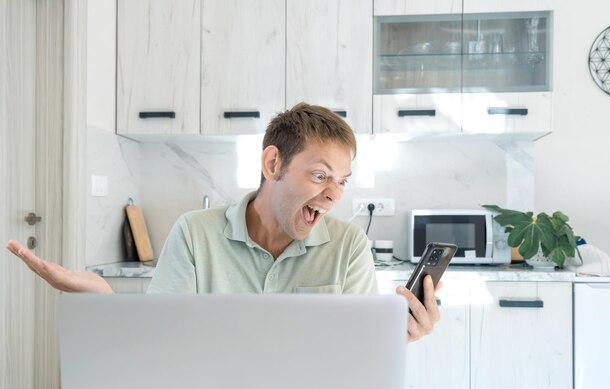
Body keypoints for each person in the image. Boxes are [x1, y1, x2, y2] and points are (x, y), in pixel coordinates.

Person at [6, 103, 440, 342]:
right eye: (321, 175)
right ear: (273, 164)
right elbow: (163, 339)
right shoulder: (195, 233)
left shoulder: (349, 246)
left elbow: (355, 350)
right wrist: (107, 298)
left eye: (342, 181)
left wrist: (396, 338)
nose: (334, 195)